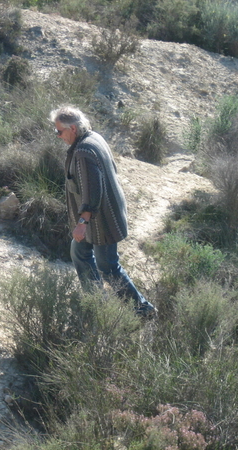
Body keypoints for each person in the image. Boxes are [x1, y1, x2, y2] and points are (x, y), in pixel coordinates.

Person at [50, 105, 156, 317]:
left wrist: (82, 223)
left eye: (59, 131)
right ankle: (96, 303)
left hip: (102, 220)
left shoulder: (82, 152)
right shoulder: (92, 138)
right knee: (79, 253)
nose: (58, 136)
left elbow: (93, 190)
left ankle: (142, 310)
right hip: (103, 216)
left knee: (107, 265)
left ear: (72, 128)